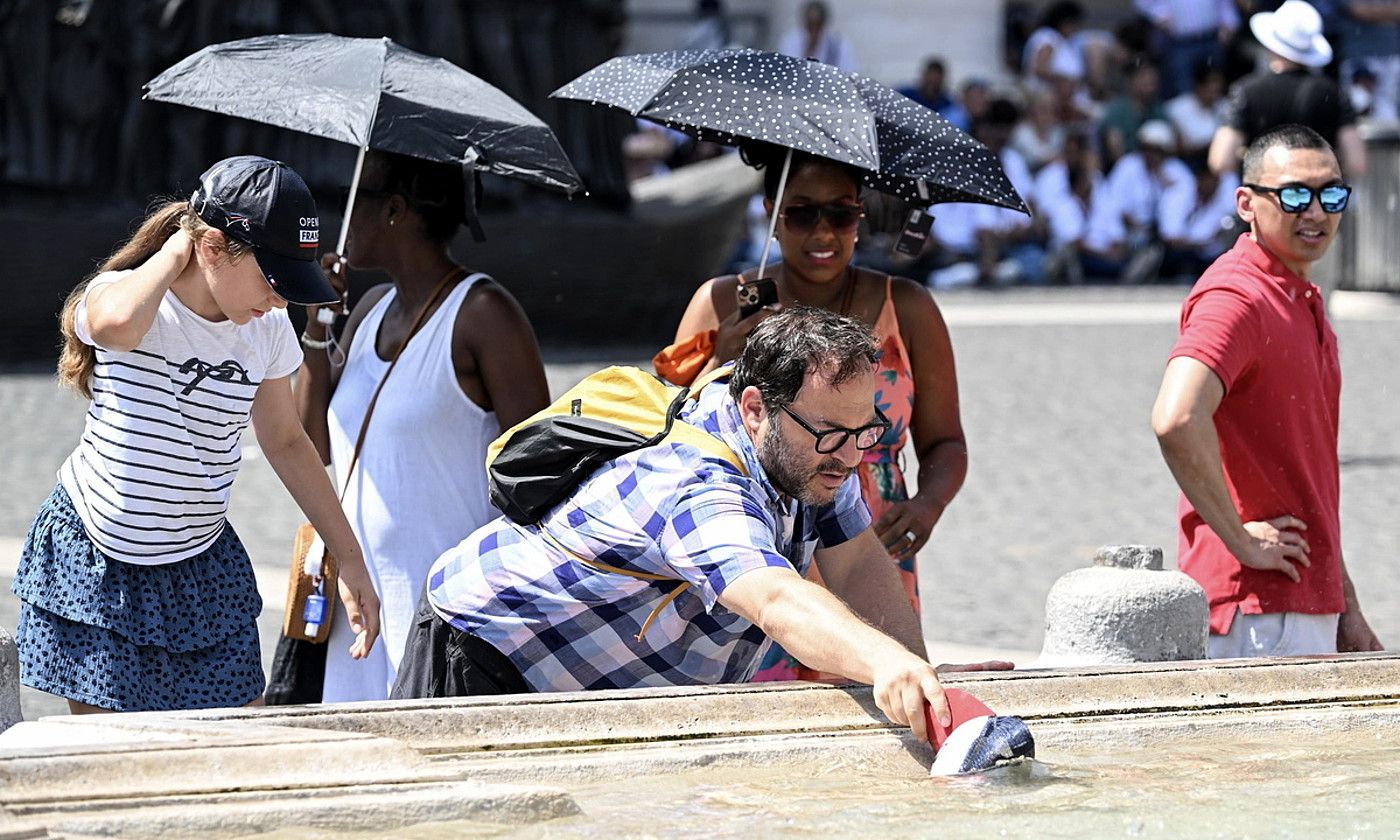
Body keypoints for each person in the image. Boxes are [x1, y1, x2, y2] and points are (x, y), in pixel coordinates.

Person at [395, 307, 1005, 740]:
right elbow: (774, 598)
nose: (850, 457)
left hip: (594, 673)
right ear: (756, 409)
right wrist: (883, 664)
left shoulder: (812, 449)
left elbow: (857, 562)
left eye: (864, 433)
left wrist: (916, 673)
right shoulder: (694, 485)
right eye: (832, 436)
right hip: (484, 651)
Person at [11, 155, 381, 713]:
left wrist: (348, 554)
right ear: (211, 247)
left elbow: (284, 440)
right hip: (98, 563)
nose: (281, 299)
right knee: (112, 765)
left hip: (199, 566)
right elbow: (115, 327)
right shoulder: (128, 298)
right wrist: (175, 250)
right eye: (273, 278)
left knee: (235, 751)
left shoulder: (267, 329)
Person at [668, 149, 968, 680]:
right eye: (802, 213)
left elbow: (945, 441)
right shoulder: (722, 302)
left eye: (842, 214)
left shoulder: (909, 305)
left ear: (861, 217)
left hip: (870, 543)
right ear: (771, 214)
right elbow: (665, 436)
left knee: (885, 693)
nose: (823, 232)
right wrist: (721, 357)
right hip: (757, 539)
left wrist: (927, 506)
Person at [295, 150, 550, 703]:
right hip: (356, 611)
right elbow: (310, 444)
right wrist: (318, 322)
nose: (343, 215)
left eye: (355, 198)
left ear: (393, 210)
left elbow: (541, 475)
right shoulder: (367, 311)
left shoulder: (483, 313)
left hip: (446, 616)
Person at [1151, 125, 1383, 658]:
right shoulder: (1238, 293)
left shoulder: (1296, 291)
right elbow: (1176, 417)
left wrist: (1344, 603)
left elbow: (1308, 478)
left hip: (1294, 603)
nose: (1317, 212)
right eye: (1295, 195)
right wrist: (1241, 539)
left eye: (1332, 194)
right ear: (1246, 203)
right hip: (1257, 611)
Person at [1208, 1, 1366, 177]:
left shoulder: (1246, 90)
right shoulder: (1332, 92)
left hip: (1265, 198)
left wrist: (1255, 160)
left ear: (1271, 44)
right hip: (1316, 198)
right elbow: (1356, 162)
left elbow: (1220, 160)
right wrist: (1320, 172)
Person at [776, 1, 856, 72]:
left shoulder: (839, 45)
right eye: (810, 25)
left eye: (817, 25)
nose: (813, 31)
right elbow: (785, 72)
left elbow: (848, 74)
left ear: (824, 23)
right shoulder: (790, 41)